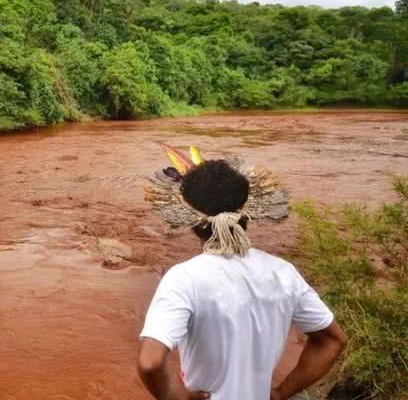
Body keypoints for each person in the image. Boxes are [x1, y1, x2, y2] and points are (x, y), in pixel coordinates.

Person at [138, 159, 347, 400]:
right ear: (246, 215)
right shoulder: (283, 273)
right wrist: (281, 393)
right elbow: (333, 341)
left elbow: (150, 363)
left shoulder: (184, 279)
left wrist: (176, 397)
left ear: (191, 221)